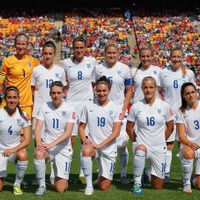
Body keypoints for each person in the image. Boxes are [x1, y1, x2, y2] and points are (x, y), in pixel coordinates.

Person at [93, 41, 132, 184]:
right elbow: (95, 89)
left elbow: (129, 91)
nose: (111, 55)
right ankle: (102, 174)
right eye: (109, 53)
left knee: (122, 145)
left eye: (114, 53)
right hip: (103, 112)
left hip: (119, 112)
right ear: (104, 54)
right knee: (101, 143)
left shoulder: (125, 69)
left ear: (118, 54)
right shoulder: (98, 69)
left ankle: (122, 174)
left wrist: (123, 109)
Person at [126, 76, 174, 194]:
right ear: (141, 89)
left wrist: (162, 140)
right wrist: (137, 141)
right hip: (143, 145)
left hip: (159, 147)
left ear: (156, 88)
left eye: (151, 87)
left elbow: (170, 126)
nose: (148, 90)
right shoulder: (137, 106)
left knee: (157, 186)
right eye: (145, 87)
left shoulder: (164, 106)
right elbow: (129, 128)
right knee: (141, 149)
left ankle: (147, 173)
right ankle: (137, 183)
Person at [60, 36, 97, 184]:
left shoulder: (92, 61)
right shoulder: (65, 63)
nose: (79, 50)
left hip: (87, 104)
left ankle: (83, 172)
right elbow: (61, 83)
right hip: (71, 104)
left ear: (85, 48)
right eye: (76, 48)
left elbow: (95, 82)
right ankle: (65, 172)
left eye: (82, 47)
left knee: (85, 139)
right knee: (70, 138)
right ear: (73, 48)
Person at [79, 76, 123, 195]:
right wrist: (85, 140)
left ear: (109, 91)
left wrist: (100, 145)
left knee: (104, 187)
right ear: (95, 90)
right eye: (99, 90)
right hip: (93, 146)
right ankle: (88, 186)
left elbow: (116, 132)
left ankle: (100, 176)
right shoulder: (88, 106)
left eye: (104, 91)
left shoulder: (116, 108)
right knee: (86, 150)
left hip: (108, 149)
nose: (101, 93)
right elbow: (81, 127)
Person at [159, 47, 196, 183]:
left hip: (184, 113)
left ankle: (187, 175)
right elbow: (159, 91)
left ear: (182, 58)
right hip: (168, 114)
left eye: (179, 57)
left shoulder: (189, 73)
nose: (176, 59)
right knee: (168, 145)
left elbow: (191, 93)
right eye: (174, 57)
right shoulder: (163, 73)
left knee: (184, 145)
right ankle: (166, 173)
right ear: (170, 58)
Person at [31, 41, 66, 185]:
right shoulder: (36, 70)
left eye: (50, 53)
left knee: (53, 140)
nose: (47, 56)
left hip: (55, 111)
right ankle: (39, 176)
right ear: (42, 54)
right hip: (39, 111)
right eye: (45, 53)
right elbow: (33, 91)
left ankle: (53, 174)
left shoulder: (60, 71)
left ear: (54, 54)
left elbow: (63, 90)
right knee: (38, 143)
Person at [33, 81, 75, 196]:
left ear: (63, 93)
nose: (56, 95)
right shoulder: (43, 106)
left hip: (63, 148)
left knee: (60, 188)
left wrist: (51, 144)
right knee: (39, 153)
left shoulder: (70, 108)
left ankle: (59, 175)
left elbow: (68, 133)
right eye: (53, 93)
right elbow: (38, 128)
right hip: (47, 146)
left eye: (58, 93)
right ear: (50, 94)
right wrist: (39, 144)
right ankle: (41, 186)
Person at [0, 33, 41, 118]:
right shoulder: (7, 62)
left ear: (27, 46)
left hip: (26, 104)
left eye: (23, 44)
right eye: (18, 44)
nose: (21, 46)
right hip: (9, 101)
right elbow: (1, 79)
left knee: (24, 131)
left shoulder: (34, 62)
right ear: (15, 45)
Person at [0, 86, 31, 195]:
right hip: (1, 151)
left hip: (15, 151)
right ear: (4, 99)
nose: (12, 100)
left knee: (23, 155)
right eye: (9, 98)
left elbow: (27, 140)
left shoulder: (24, 116)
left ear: (18, 99)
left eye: (14, 97)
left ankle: (17, 184)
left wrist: (13, 150)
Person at [176, 82, 200, 193]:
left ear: (197, 93)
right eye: (187, 93)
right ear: (183, 96)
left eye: (192, 92)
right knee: (189, 153)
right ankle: (186, 184)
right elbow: (181, 136)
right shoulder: (181, 112)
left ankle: (193, 178)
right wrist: (191, 144)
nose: (191, 95)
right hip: (188, 145)